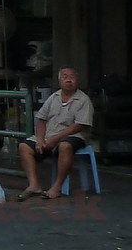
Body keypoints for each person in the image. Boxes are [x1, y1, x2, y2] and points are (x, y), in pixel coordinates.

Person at [17, 66, 94, 200]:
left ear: (77, 80)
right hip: (49, 135)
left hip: (73, 136)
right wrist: (40, 139)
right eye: (65, 77)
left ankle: (57, 187)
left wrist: (55, 139)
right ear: (59, 81)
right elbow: (42, 119)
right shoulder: (54, 97)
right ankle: (34, 185)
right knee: (24, 146)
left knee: (65, 146)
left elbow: (78, 126)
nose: (68, 80)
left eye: (72, 77)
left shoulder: (83, 100)